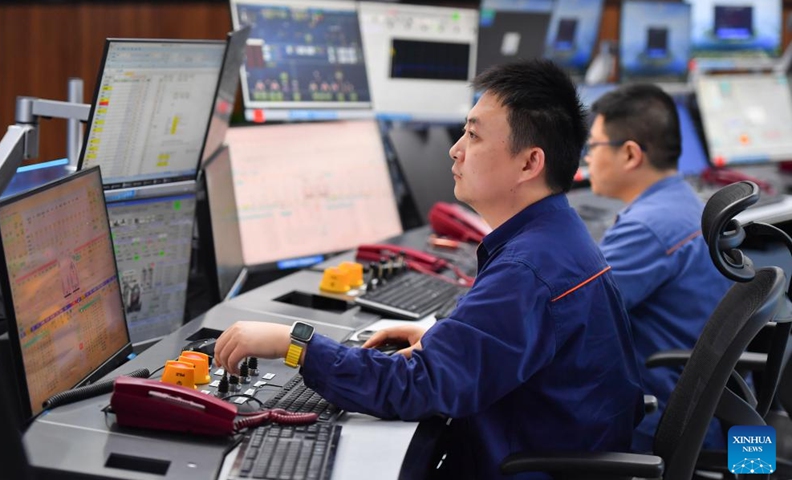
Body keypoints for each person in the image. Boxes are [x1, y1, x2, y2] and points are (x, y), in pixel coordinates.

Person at [215, 60, 644, 479]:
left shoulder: (526, 270)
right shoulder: (557, 236)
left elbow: (417, 388)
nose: (455, 149)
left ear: (530, 163)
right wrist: (447, 340)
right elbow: (511, 345)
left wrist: (296, 345)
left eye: (473, 136)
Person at [584, 83, 732, 452]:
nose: (586, 158)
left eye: (593, 146)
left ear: (630, 154)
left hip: (659, 421)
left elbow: (570, 317)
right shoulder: (684, 203)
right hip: (714, 415)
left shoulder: (648, 229)